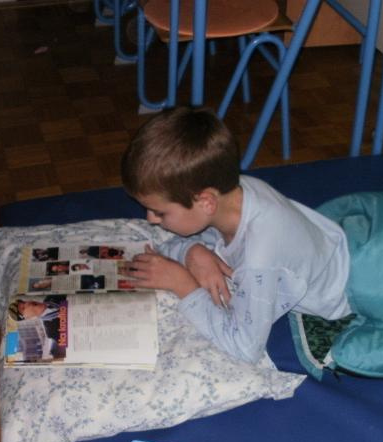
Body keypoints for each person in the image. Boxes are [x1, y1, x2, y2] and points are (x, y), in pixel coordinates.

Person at [121, 106, 352, 364]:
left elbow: (245, 348)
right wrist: (192, 251)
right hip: (335, 248)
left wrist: (183, 284)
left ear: (206, 202)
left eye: (160, 212)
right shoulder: (234, 193)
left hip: (344, 293)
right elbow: (188, 238)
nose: (150, 219)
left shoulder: (259, 258)